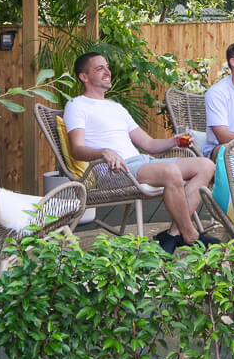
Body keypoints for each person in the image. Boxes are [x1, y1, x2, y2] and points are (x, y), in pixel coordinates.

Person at [64, 51, 220, 252]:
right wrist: (103, 152)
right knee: (171, 173)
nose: (107, 71)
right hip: (113, 170)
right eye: (99, 68)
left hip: (141, 162)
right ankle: (191, 236)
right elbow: (77, 150)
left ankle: (173, 234)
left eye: (107, 67)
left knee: (206, 165)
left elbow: (149, 144)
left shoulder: (116, 107)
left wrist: (173, 141)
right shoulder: (76, 106)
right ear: (83, 77)